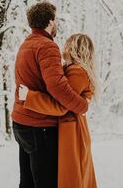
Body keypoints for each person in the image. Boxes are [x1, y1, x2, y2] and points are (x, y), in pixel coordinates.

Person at [12, 1, 89, 188]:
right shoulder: (47, 46)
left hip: (21, 124)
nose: (57, 24)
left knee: (27, 182)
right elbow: (57, 86)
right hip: (40, 127)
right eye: (56, 20)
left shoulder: (26, 44)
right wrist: (82, 105)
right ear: (50, 21)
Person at [19, 34, 98, 188]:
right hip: (71, 130)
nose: (64, 48)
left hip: (72, 132)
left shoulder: (77, 72)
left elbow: (60, 105)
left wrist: (30, 97)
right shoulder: (73, 70)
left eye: (68, 44)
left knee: (71, 179)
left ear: (75, 49)